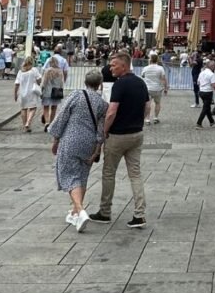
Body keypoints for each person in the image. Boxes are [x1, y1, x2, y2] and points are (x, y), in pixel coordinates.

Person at [89, 51, 149, 228]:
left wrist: (104, 133)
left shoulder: (119, 85)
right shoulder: (140, 83)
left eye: (114, 65)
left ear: (124, 66)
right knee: (135, 174)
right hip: (136, 134)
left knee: (109, 173)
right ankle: (139, 214)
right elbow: (148, 106)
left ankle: (105, 212)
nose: (110, 68)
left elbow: (111, 112)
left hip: (117, 136)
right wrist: (139, 122)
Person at [50, 70, 107, 231]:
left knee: (69, 175)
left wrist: (55, 139)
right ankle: (74, 213)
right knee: (82, 176)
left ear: (85, 82)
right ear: (99, 84)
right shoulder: (102, 104)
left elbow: (62, 116)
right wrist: (96, 150)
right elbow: (101, 130)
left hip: (71, 139)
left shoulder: (76, 95)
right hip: (89, 143)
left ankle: (81, 211)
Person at [14, 56, 42, 131]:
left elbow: (16, 84)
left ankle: (25, 126)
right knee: (32, 108)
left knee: (23, 108)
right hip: (32, 92)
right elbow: (39, 80)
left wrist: (15, 94)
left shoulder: (20, 71)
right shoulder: (34, 70)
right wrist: (38, 82)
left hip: (22, 92)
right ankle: (28, 122)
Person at [141, 52, 168, 124]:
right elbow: (163, 79)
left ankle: (147, 119)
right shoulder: (160, 68)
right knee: (157, 103)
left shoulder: (145, 68)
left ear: (150, 60)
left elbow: (142, 76)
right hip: (157, 88)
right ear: (157, 60)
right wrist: (165, 88)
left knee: (147, 104)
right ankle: (156, 117)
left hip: (148, 88)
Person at [41, 57, 66, 131]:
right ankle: (51, 123)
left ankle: (47, 122)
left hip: (47, 91)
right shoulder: (60, 71)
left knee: (46, 108)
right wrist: (61, 89)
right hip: (56, 91)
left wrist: (41, 90)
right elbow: (62, 82)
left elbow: (44, 82)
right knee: (54, 108)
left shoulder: (47, 71)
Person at [197, 59, 215, 128]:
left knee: (207, 107)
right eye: (214, 66)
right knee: (205, 108)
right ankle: (199, 123)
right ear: (212, 66)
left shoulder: (201, 73)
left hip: (201, 92)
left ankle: (211, 121)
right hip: (208, 92)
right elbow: (214, 85)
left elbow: (198, 82)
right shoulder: (212, 74)